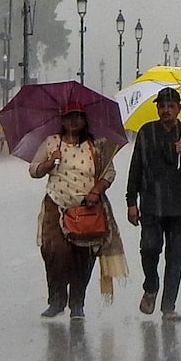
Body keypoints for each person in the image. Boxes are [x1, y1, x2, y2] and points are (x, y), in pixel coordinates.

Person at [29, 102, 128, 319]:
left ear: (85, 120)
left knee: (83, 258)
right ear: (61, 120)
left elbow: (108, 173)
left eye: (79, 116)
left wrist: (95, 192)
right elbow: (34, 170)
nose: (74, 121)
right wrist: (48, 163)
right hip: (56, 205)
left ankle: (77, 303)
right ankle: (56, 300)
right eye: (69, 116)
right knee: (54, 253)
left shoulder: (95, 145)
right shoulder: (51, 143)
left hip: (86, 208)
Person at [126, 87, 181, 322]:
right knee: (149, 248)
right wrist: (131, 201)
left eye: (170, 106)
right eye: (162, 106)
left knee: (176, 258)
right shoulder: (146, 132)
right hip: (152, 204)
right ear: (157, 108)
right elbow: (136, 169)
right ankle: (151, 284)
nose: (166, 111)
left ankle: (168, 305)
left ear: (178, 108)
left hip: (180, 207)